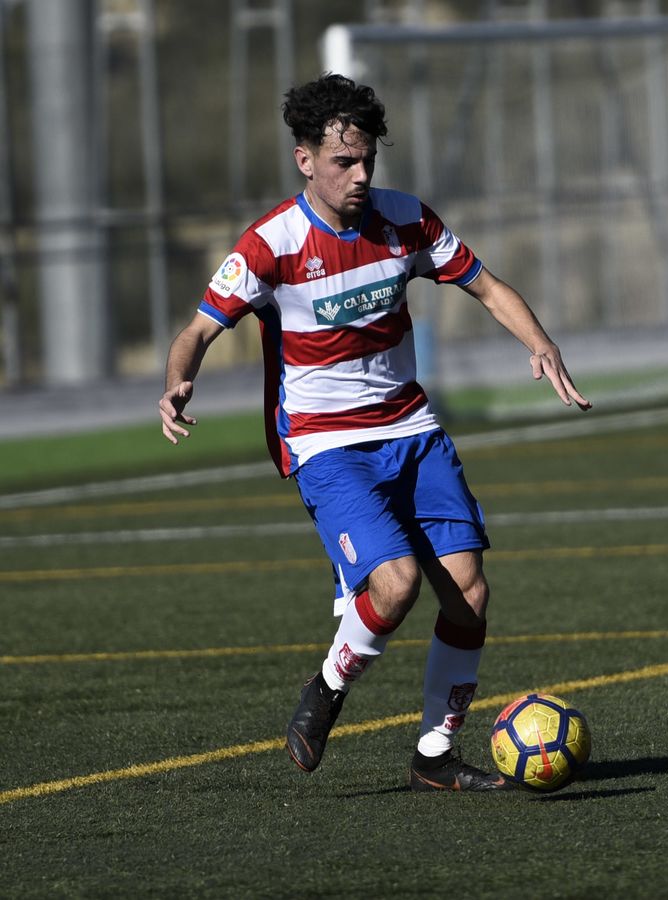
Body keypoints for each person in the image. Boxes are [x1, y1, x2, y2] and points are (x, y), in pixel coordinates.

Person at [157, 74, 589, 791]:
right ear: (305, 160)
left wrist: (538, 341)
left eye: (367, 163)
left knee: (470, 594)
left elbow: (485, 284)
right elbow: (198, 328)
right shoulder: (272, 245)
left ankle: (435, 756)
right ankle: (327, 688)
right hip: (325, 444)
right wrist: (178, 379)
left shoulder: (407, 220)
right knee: (396, 584)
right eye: (342, 163)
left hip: (410, 428)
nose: (359, 177)